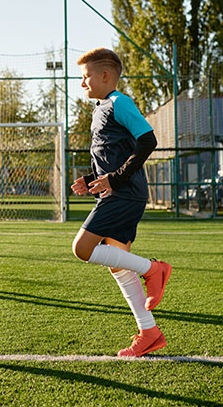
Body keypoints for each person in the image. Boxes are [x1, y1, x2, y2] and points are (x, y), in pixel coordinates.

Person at [69, 47, 170, 358]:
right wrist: (91, 180)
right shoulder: (101, 108)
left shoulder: (119, 102)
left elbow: (148, 140)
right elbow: (112, 154)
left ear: (105, 76)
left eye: (86, 77)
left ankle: (154, 269)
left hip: (124, 193)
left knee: (82, 249)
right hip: (116, 190)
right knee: (117, 266)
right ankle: (149, 332)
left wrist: (114, 179)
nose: (82, 82)